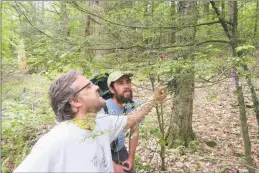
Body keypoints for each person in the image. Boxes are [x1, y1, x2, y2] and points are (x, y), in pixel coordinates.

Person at [13, 69, 166, 173]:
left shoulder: (101, 122)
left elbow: (133, 119)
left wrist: (154, 99)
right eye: (88, 87)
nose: (96, 88)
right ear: (75, 101)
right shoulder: (55, 141)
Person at [103, 71, 140, 173]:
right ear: (111, 89)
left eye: (128, 82)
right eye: (121, 83)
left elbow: (134, 130)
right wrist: (113, 165)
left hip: (120, 149)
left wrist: (131, 157)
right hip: (102, 151)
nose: (126, 86)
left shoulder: (132, 105)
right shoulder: (103, 107)